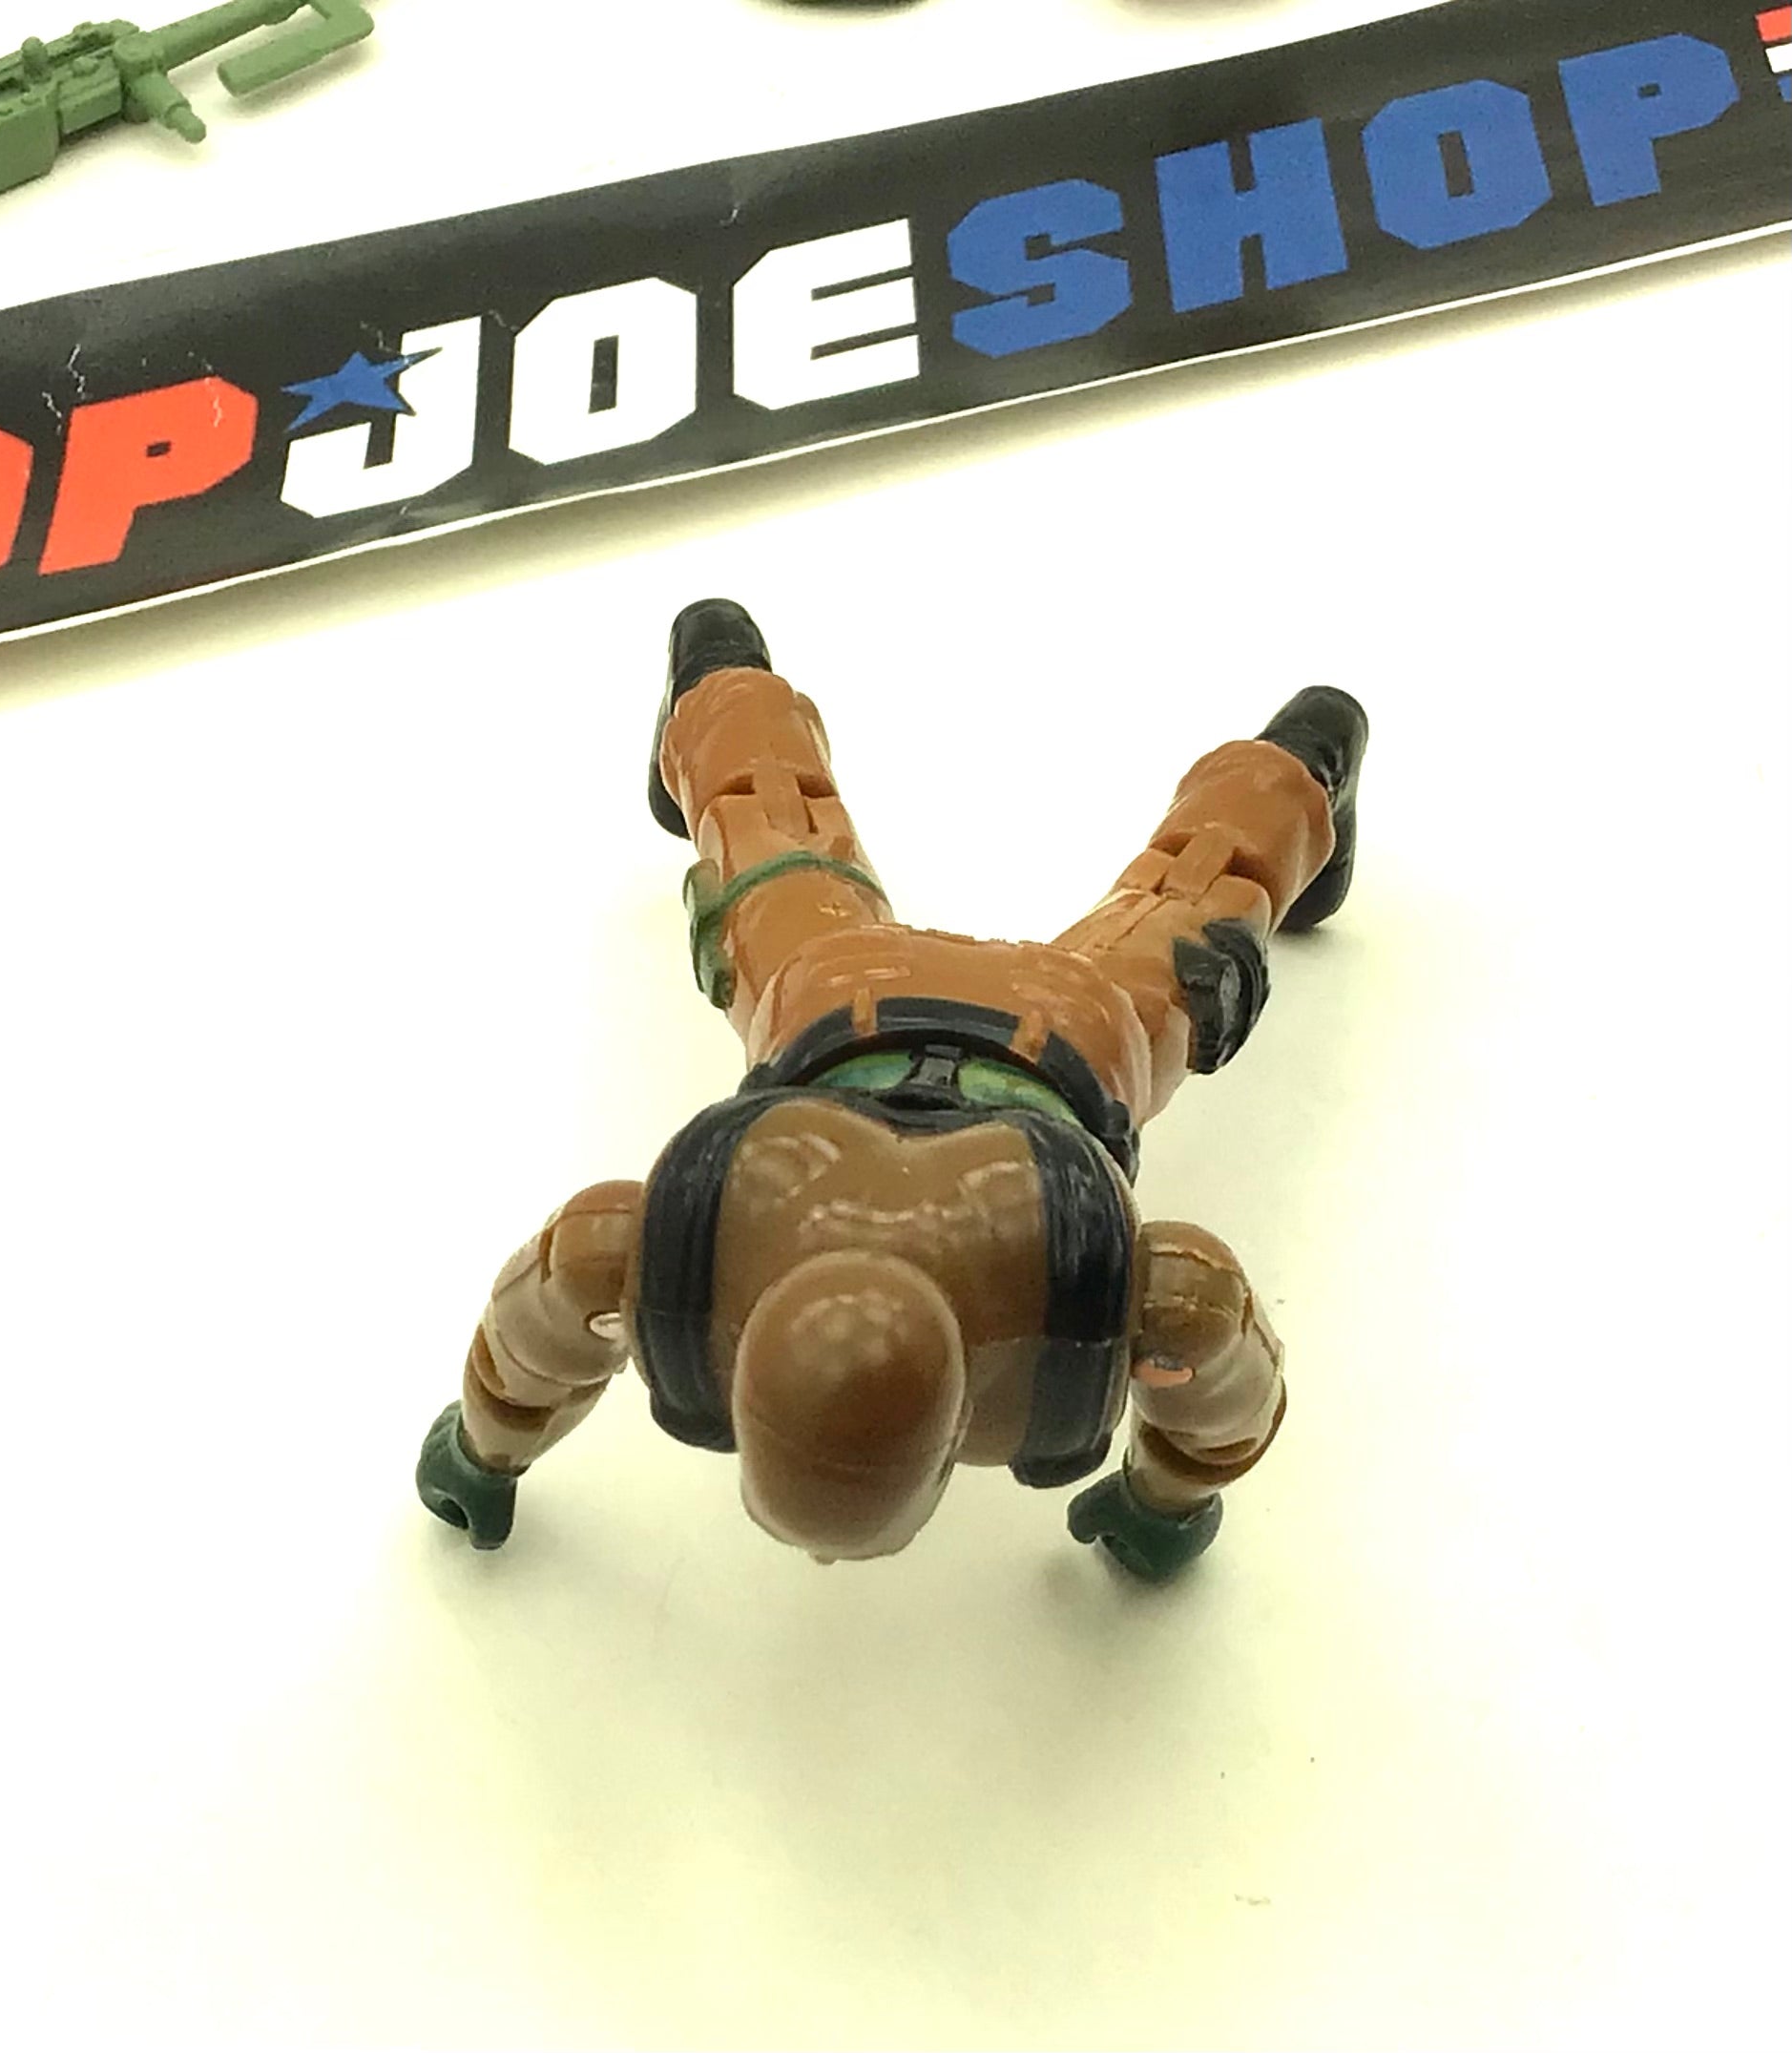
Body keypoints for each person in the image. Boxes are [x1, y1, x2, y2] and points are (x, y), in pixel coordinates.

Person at [415, 599, 1366, 1582]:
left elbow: (540, 1327)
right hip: (921, 1008)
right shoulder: (1127, 1301)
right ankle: (1307, 761)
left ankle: (1307, 761)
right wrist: (1163, 1498)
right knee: (1184, 886)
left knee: (776, 822)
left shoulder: (666, 1254)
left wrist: (484, 1447)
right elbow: (1217, 1378)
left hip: (993, 1020)